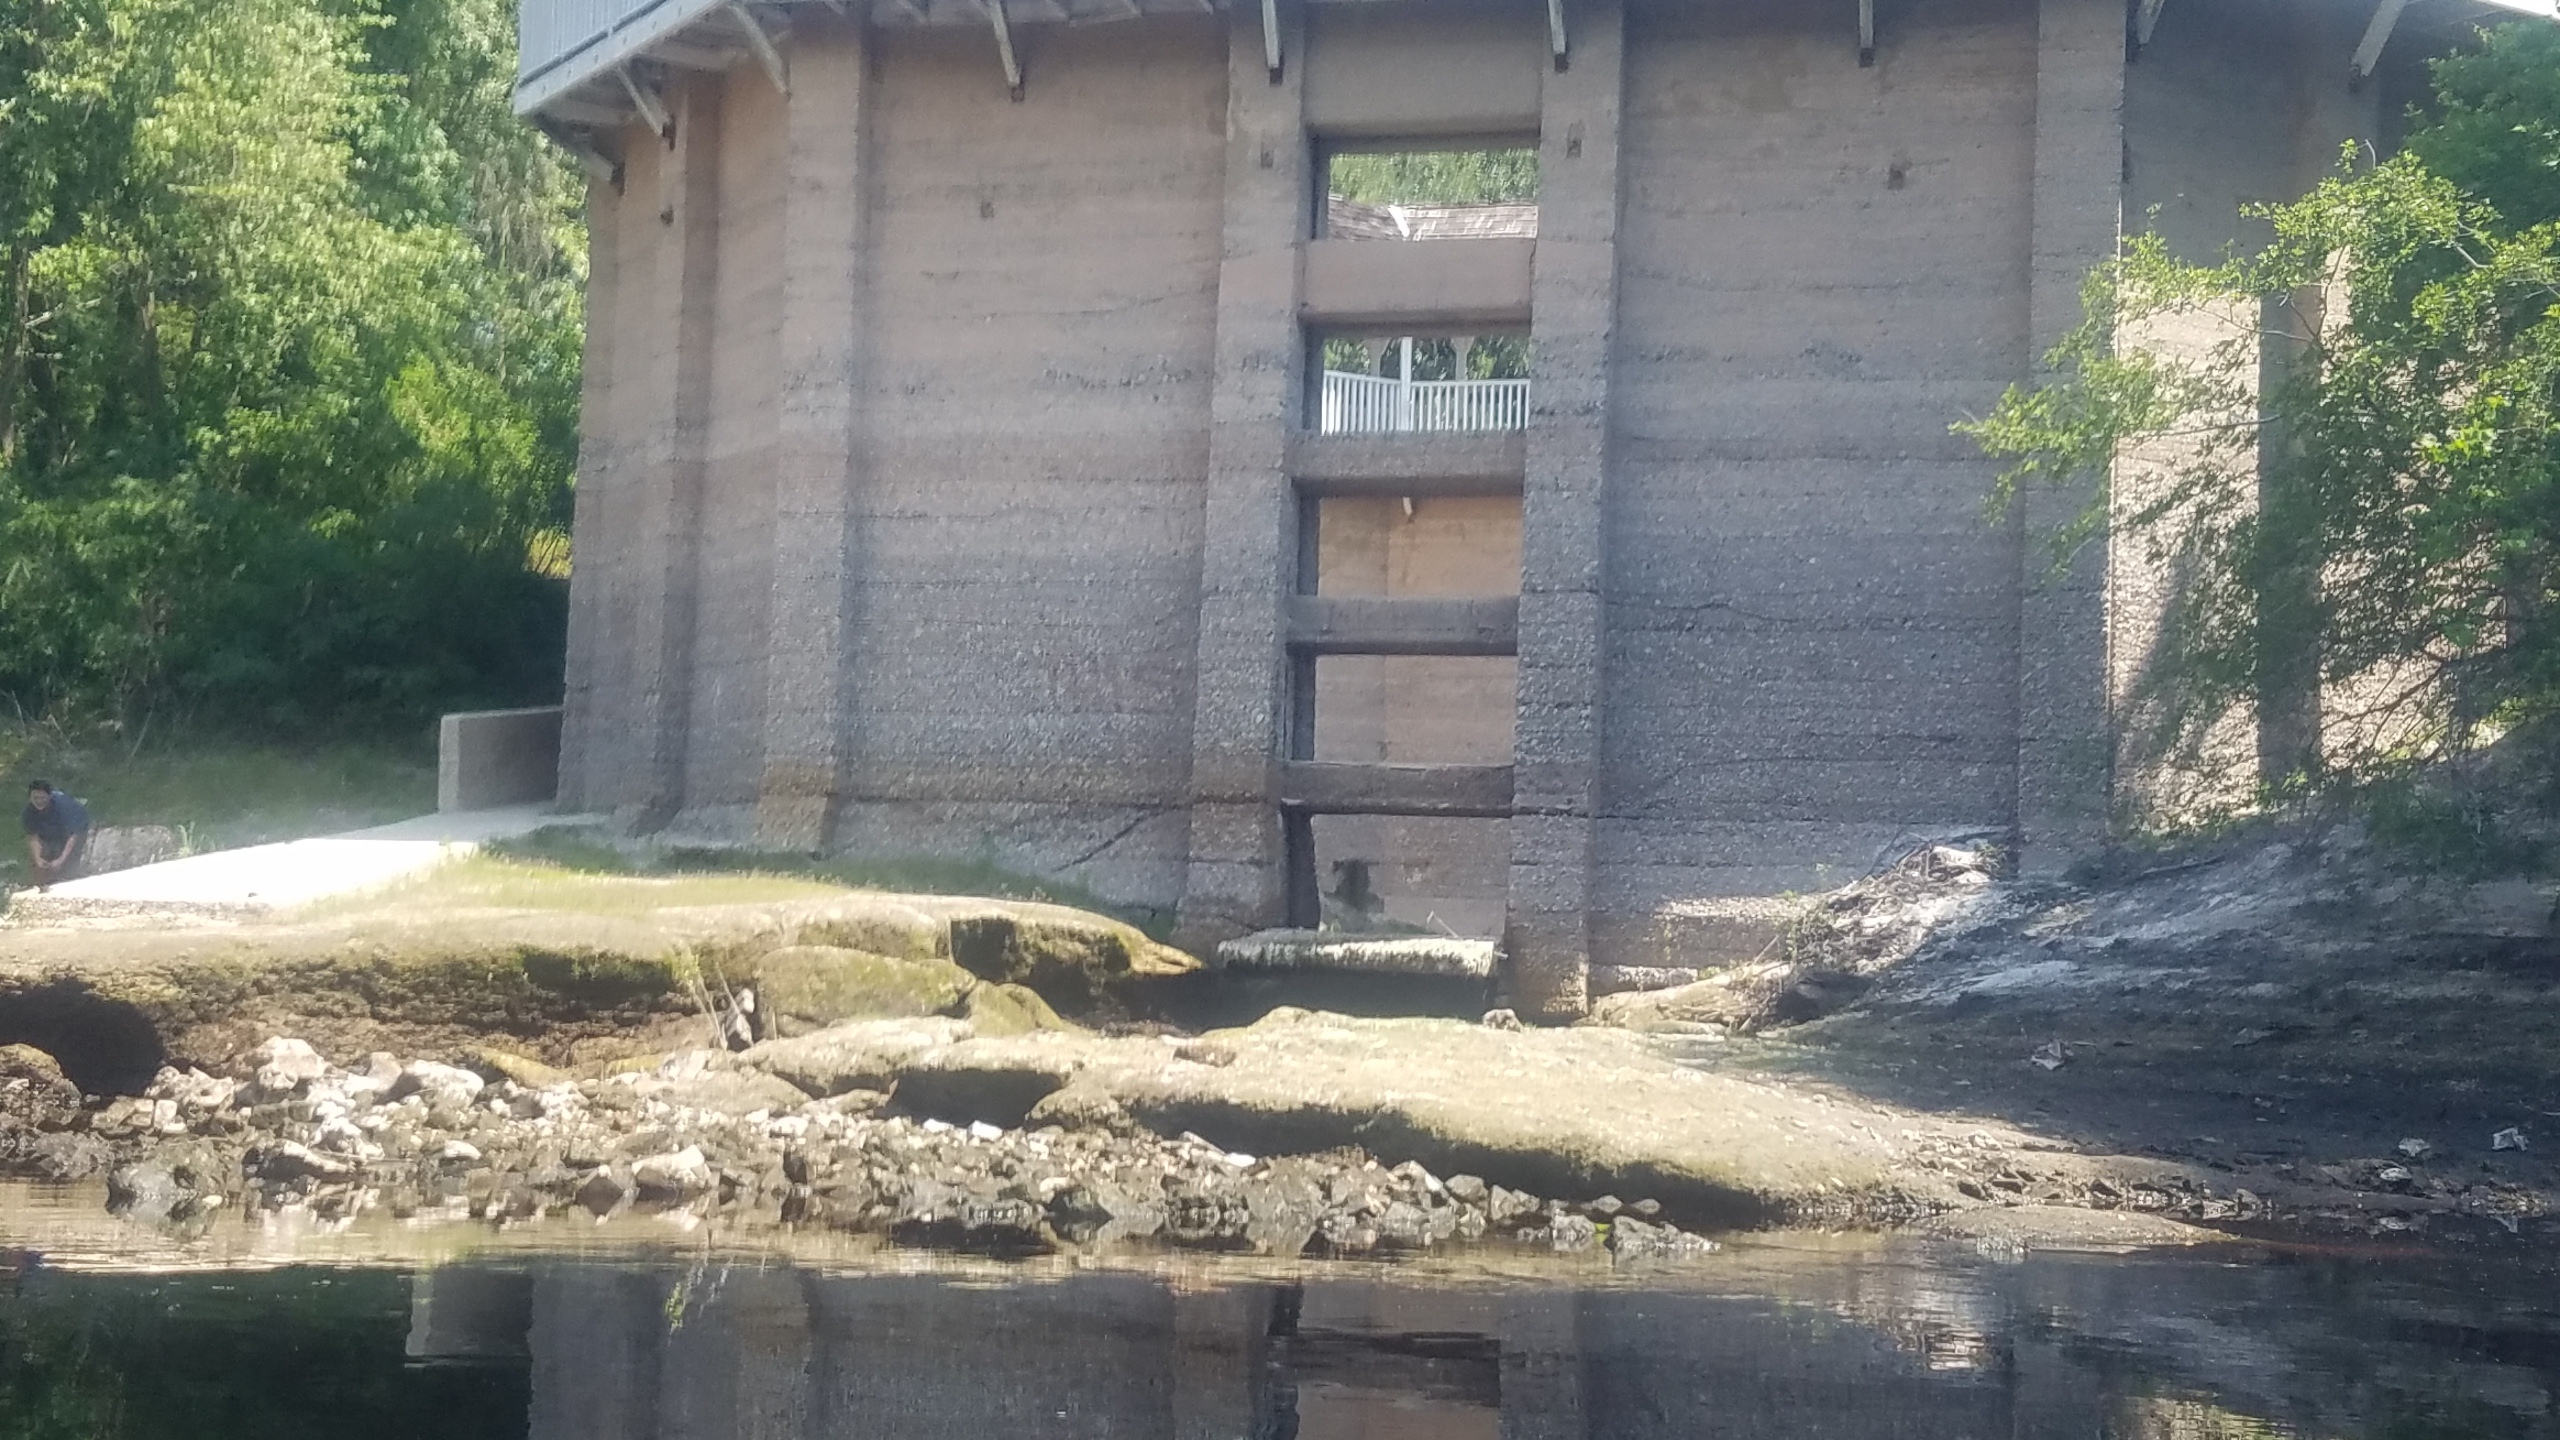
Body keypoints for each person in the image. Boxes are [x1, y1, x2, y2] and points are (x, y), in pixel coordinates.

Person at [21, 781, 89, 890]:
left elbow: (72, 837)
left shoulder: (63, 808)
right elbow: (33, 838)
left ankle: (69, 883)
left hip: (77, 828)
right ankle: (40, 885)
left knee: (67, 863)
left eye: (43, 798)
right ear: (29, 798)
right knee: (43, 858)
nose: (39, 801)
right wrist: (38, 858)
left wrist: (61, 860)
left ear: (50, 796)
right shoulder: (28, 812)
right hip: (49, 829)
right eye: (35, 798)